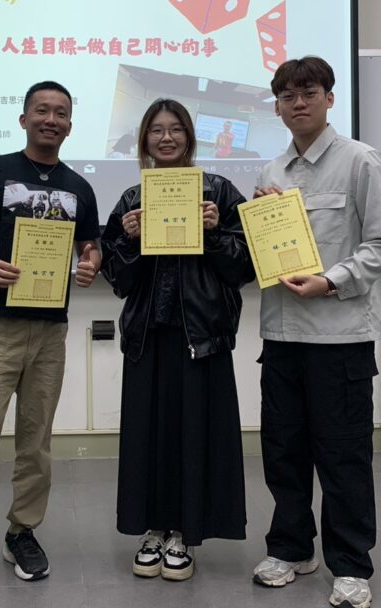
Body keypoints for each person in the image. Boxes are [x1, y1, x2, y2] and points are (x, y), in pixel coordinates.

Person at [0, 81, 102, 608]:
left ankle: (21, 532)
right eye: (42, 110)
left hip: (50, 330)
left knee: (36, 442)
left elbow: (90, 244)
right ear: (24, 118)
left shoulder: (79, 186)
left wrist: (91, 262)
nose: (51, 119)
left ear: (70, 125)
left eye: (61, 113)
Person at [250, 57, 381, 608]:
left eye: (309, 92)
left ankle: (351, 563)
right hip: (282, 334)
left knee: (343, 457)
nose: (298, 103)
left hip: (340, 337)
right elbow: (266, 252)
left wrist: (331, 281)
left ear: (329, 98)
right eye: (287, 96)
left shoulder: (362, 161)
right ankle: (292, 549)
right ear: (276, 107)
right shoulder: (270, 172)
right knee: (283, 452)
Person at [101, 99, 253, 581]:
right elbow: (117, 279)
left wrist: (214, 232)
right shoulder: (131, 199)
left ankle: (185, 533)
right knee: (148, 436)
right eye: (156, 130)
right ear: (144, 140)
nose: (166, 138)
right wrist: (129, 241)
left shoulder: (219, 191)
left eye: (175, 129)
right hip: (147, 336)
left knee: (195, 435)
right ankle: (152, 529)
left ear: (189, 136)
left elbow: (245, 267)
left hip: (202, 335)